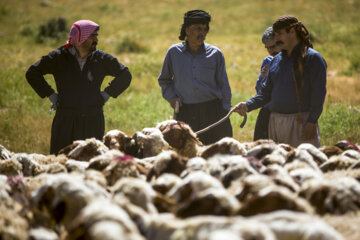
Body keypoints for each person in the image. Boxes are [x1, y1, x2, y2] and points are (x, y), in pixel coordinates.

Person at [26, 20, 132, 154]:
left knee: (92, 164)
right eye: (92, 36)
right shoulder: (59, 57)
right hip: (65, 121)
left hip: (92, 120)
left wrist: (106, 95)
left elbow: (125, 74)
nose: (96, 40)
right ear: (80, 38)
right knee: (60, 162)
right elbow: (32, 73)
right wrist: (51, 95)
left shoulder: (100, 58)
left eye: (96, 36)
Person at [235, 15, 327, 147]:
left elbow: (318, 94)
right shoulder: (276, 60)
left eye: (279, 34)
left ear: (292, 32)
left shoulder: (312, 58)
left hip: (301, 123)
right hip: (275, 123)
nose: (276, 38)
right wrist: (247, 105)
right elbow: (265, 94)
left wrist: (312, 121)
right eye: (275, 34)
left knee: (302, 165)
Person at [158, 10, 233, 145]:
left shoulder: (215, 54)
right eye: (198, 29)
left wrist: (226, 111)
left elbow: (224, 84)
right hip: (186, 112)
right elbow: (164, 80)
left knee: (217, 152)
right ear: (187, 30)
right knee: (187, 153)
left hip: (213, 111)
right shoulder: (174, 53)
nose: (202, 33)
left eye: (205, 29)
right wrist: (171, 97)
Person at [253, 27, 281, 141]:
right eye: (267, 48)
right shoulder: (267, 61)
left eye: (273, 46)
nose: (270, 51)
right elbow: (259, 90)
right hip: (267, 111)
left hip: (283, 113)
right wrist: (263, 77)